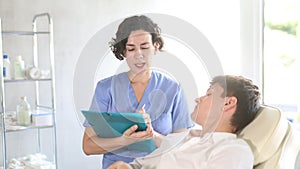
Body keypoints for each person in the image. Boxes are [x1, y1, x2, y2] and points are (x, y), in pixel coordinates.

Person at [82, 15, 194, 169]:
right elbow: (88, 146)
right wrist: (124, 140)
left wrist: (152, 135)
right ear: (124, 51)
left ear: (155, 46)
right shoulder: (106, 88)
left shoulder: (173, 89)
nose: (138, 54)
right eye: (131, 48)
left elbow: (183, 148)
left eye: (144, 47)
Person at [107, 75, 261, 169]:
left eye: (209, 94)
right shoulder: (185, 137)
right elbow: (140, 164)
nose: (198, 99)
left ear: (228, 103)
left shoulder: (233, 150)